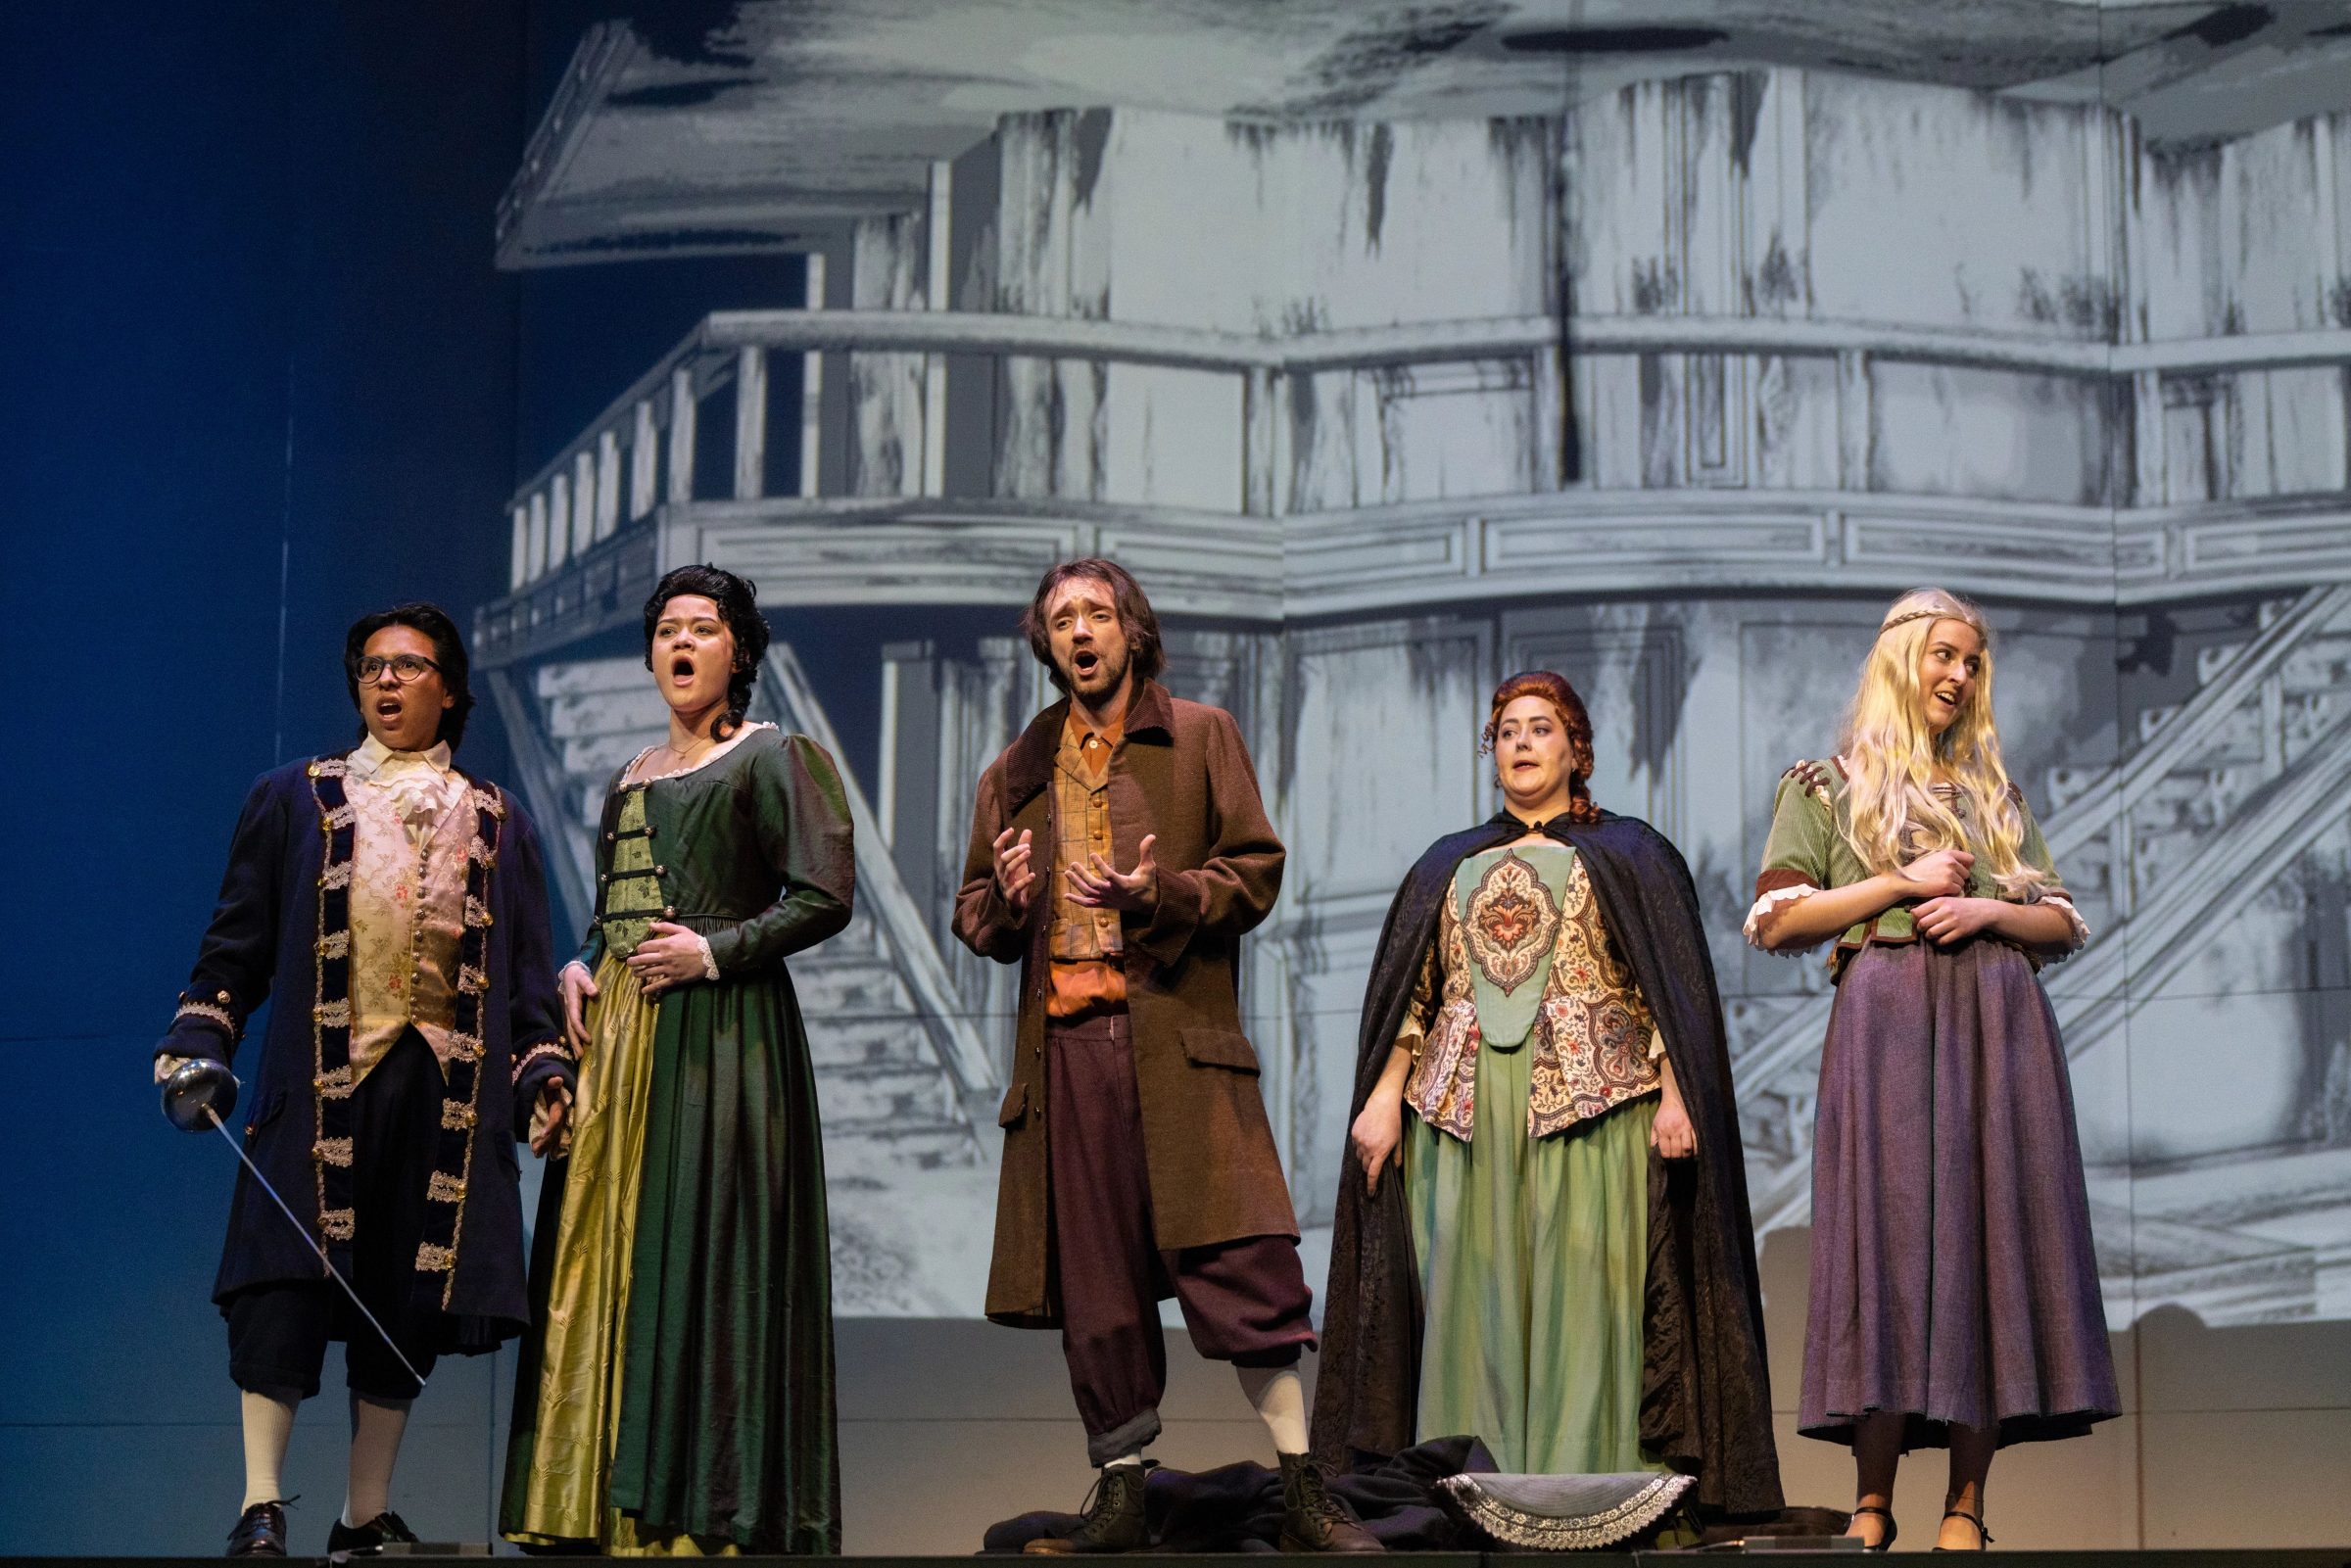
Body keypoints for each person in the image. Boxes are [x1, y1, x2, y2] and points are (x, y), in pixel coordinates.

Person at [953, 557, 1377, 1554]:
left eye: (1097, 612)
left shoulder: (1198, 737)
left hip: (1179, 1043)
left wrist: (1162, 895)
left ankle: (1305, 1485)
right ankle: (1121, 1490)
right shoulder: (1013, 771)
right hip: (1067, 1052)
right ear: (1046, 643)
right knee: (1097, 1286)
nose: (1080, 631)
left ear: (1133, 629)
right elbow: (974, 908)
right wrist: (1009, 906)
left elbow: (1256, 871)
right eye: (1061, 619)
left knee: (1242, 1259)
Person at [155, 603, 573, 1558]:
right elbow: (235, 945)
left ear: (450, 687)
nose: (386, 681)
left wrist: (543, 1069)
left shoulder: (501, 820)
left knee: (404, 1302)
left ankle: (362, 1512)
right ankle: (262, 1501)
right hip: (322, 1087)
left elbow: (529, 985)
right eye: (372, 666)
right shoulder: (293, 798)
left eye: (410, 665)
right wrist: (197, 1033)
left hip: (440, 1097)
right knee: (284, 1287)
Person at [1315, 672, 1782, 1520]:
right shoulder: (1448, 862)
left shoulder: (1630, 853)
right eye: (1506, 731)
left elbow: (1665, 993)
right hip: (1460, 1117)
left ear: (1577, 748)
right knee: (1472, 1300)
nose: (1522, 743)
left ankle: (1587, 1498)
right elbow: (1416, 995)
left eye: (1541, 728)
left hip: (1596, 1110)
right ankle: (1465, 1493)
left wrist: (1678, 1095)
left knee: (1586, 1303)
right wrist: (1384, 1097)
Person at [1745, 588, 2118, 1551]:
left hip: (1998, 1026)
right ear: (1902, 658)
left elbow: (2063, 920)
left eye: (1973, 662)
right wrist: (1900, 886)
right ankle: (1871, 1498)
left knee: (1986, 1243)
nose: (1958, 674)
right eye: (1944, 654)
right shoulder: (1823, 786)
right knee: (1891, 1242)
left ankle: (1966, 1504)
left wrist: (1991, 910)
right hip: (1890, 1025)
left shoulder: (1994, 796)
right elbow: (1778, 918)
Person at [501, 564, 856, 1555]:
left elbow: (824, 893)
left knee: (706, 1253)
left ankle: (703, 1510)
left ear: (740, 648)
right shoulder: (630, 773)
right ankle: (595, 1502)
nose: (682, 643)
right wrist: (582, 957)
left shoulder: (774, 755)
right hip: (620, 1037)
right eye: (666, 629)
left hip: (723, 1037)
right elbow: (619, 896)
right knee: (603, 1259)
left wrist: (716, 949)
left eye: (703, 627)